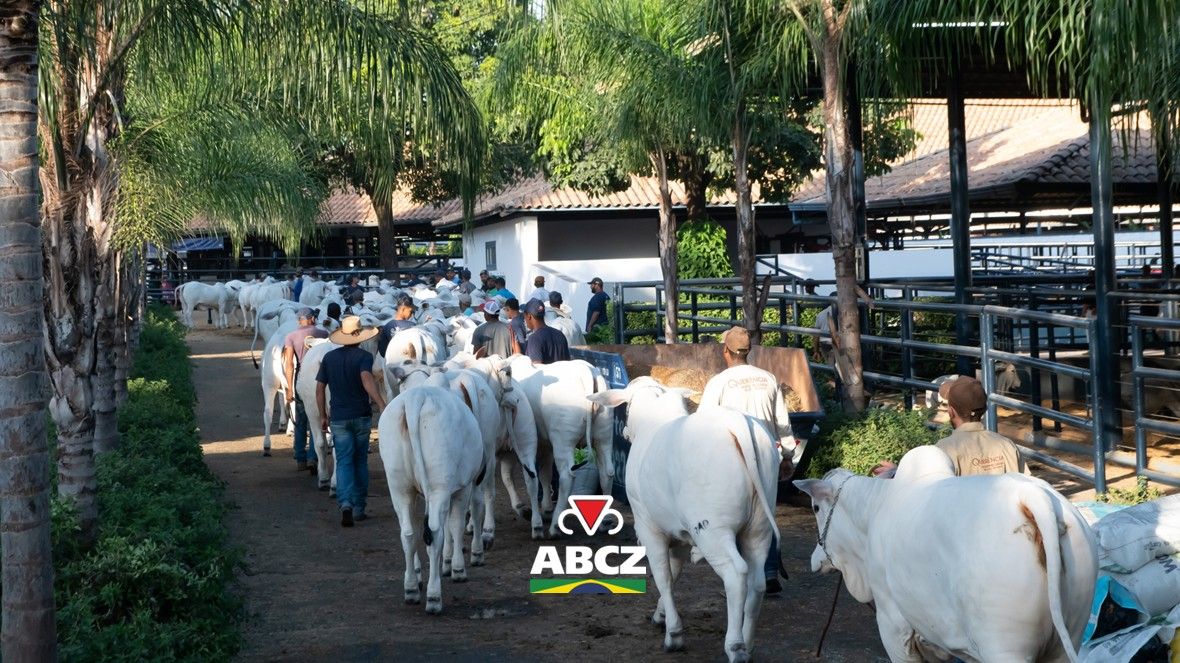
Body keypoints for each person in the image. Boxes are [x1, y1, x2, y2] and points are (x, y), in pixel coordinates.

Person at [697, 326, 797, 595]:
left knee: (736, 514)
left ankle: (739, 576)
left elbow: (703, 423)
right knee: (764, 512)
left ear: (725, 350)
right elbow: (782, 423)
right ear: (748, 350)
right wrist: (788, 455)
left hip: (733, 455)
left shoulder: (718, 382)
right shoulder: (768, 379)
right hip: (767, 454)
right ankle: (768, 573)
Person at [873, 376, 1028, 478]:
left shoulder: (943, 450)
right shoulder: (1007, 445)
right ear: (984, 410)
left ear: (951, 411)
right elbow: (1028, 486)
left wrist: (897, 473)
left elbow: (926, 488)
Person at [316, 316, 386, 527]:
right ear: (358, 336)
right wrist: (382, 404)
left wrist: (322, 415)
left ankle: (345, 502)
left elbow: (319, 389)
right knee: (359, 461)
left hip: (338, 417)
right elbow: (367, 379)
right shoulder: (364, 356)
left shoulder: (329, 358)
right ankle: (359, 507)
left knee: (344, 461)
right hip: (361, 415)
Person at [283, 308, 329, 472]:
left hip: (302, 377)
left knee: (301, 418)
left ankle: (300, 456)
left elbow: (289, 364)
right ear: (311, 319)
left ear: (300, 320)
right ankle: (313, 457)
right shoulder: (323, 333)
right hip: (324, 378)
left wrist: (289, 388)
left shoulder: (291, 336)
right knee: (317, 419)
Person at [522, 299, 569, 364]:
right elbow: (567, 363)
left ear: (529, 316)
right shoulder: (560, 334)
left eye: (524, 317)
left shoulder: (534, 339)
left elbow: (537, 368)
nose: (525, 321)